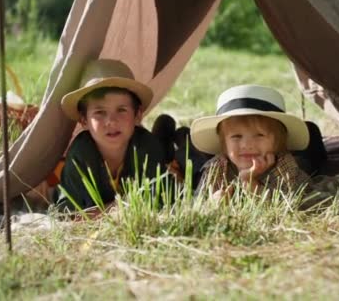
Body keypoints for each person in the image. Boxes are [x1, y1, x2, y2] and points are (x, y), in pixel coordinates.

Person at [55, 59, 167, 212]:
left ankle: (167, 132)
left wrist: (105, 210)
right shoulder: (80, 154)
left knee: (167, 139)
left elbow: (156, 201)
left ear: (137, 115)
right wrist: (120, 207)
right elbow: (72, 214)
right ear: (83, 120)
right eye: (100, 112)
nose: (111, 122)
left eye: (121, 110)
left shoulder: (147, 146)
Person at [190, 84, 313, 199]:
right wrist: (214, 203)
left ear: (277, 141)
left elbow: (289, 206)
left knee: (310, 153)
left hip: (302, 165)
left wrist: (250, 183)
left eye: (259, 135)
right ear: (224, 144)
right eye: (236, 136)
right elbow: (198, 205)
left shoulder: (285, 167)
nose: (247, 145)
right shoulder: (216, 168)